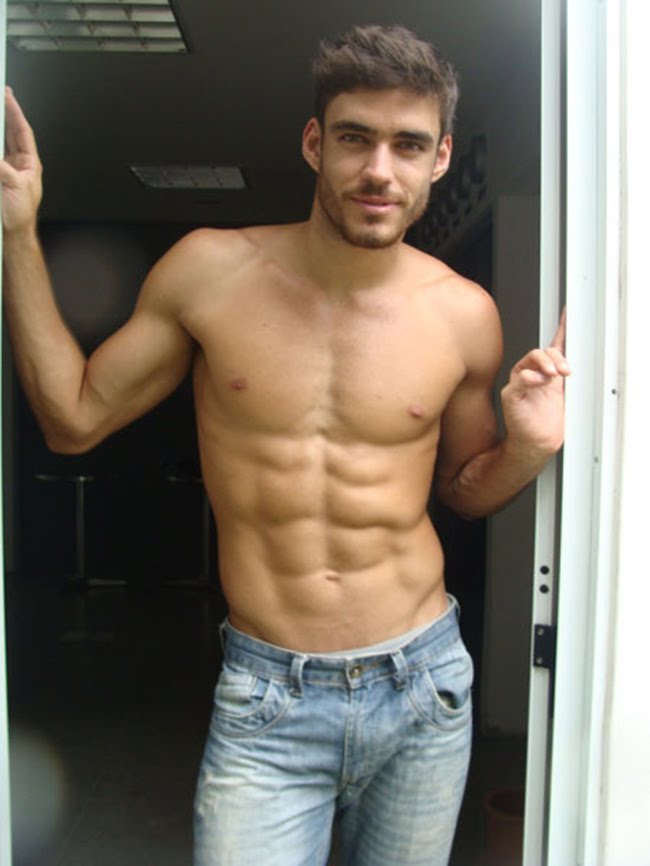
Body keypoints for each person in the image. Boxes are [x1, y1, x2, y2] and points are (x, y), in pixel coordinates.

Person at [1, 24, 568, 866]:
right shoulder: (210, 273)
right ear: (314, 144)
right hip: (269, 698)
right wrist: (16, 231)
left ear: (441, 159)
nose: (380, 170)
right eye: (355, 138)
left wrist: (527, 447)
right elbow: (72, 418)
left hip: (423, 686)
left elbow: (461, 488)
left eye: (409, 145)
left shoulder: (464, 314)